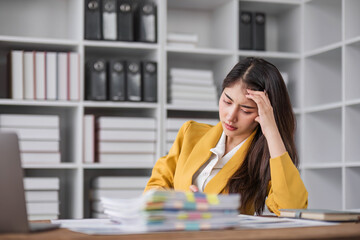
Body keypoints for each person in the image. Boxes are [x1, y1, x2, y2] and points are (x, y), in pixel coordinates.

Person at [144, 57, 308, 216]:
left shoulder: (266, 157)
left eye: (246, 110)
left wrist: (272, 131)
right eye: (227, 101)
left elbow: (292, 208)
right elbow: (157, 184)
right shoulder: (190, 133)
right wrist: (177, 203)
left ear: (264, 113)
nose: (230, 116)